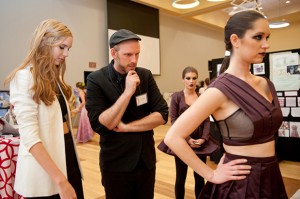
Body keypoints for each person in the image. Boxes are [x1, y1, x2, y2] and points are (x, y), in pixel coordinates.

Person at [164, 10, 288, 199]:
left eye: (267, 37)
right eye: (258, 37)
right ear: (235, 40)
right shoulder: (219, 90)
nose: (266, 44)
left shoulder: (265, 83)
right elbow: (173, 137)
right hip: (241, 181)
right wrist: (210, 173)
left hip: (272, 174)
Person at [85, 29, 169, 199]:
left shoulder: (145, 75)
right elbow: (101, 124)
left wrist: (127, 127)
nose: (134, 60)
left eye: (137, 54)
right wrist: (127, 93)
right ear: (113, 53)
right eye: (128, 54)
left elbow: (162, 114)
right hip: (115, 164)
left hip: (145, 162)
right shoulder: (96, 79)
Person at [5, 19, 84, 198]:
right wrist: (61, 180)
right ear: (44, 43)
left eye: (68, 49)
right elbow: (30, 137)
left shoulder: (54, 79)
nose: (66, 54)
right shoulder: (24, 78)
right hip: (45, 170)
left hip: (67, 156)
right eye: (62, 47)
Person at [171, 67, 210, 199]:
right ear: (183, 80)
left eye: (194, 78)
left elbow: (206, 120)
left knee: (200, 177)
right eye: (188, 78)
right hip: (181, 142)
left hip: (199, 143)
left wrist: (203, 139)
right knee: (180, 177)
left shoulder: (202, 97)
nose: (191, 81)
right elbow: (174, 120)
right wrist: (187, 139)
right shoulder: (176, 97)